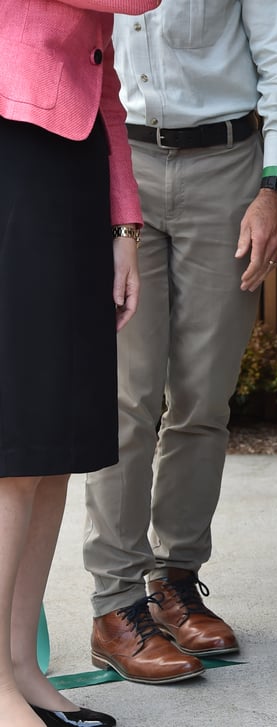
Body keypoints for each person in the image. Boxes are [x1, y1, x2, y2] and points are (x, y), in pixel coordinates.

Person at [82, 0, 277, 684]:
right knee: (126, 398)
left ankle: (174, 579)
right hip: (120, 164)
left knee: (202, 397)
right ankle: (115, 602)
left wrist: (276, 187)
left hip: (227, 170)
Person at [1, 1, 159, 724]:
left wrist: (123, 222)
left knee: (52, 447)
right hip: (13, 161)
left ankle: (21, 669)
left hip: (69, 172)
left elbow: (104, 86)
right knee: (14, 446)